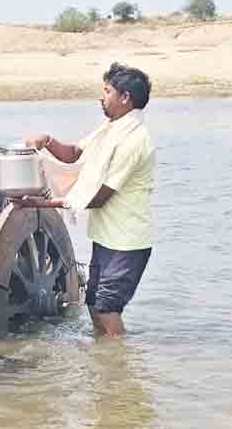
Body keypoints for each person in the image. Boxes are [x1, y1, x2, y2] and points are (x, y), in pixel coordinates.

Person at [12, 63, 156, 338]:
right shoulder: (110, 129)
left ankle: (117, 367)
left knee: (106, 307)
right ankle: (106, 361)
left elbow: (99, 197)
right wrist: (47, 140)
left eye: (107, 91)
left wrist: (41, 203)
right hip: (107, 236)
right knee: (93, 302)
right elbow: (74, 154)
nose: (102, 97)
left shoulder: (134, 140)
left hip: (128, 240)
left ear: (125, 97)